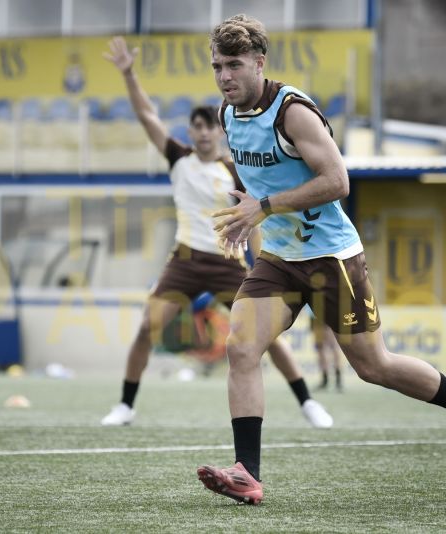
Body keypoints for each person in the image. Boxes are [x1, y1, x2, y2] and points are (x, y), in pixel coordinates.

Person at [196, 14, 446, 505]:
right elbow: (264, 185)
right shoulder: (228, 116)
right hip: (279, 257)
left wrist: (265, 207)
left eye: (234, 64)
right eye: (217, 66)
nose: (225, 76)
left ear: (259, 62)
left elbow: (338, 182)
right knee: (241, 346)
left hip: (331, 257)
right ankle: (246, 473)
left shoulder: (292, 111)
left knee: (374, 366)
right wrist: (245, 212)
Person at [99, 36, 332, 429]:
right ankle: (125, 405)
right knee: (145, 328)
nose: (203, 134)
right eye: (196, 128)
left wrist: (262, 259)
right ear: (190, 133)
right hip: (186, 260)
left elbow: (253, 212)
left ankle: (308, 403)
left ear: (219, 132)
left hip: (229, 262)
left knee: (266, 338)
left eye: (209, 128)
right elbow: (147, 116)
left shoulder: (233, 168)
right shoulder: (178, 160)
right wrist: (128, 74)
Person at [315, 322, 343, 392]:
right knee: (330, 346)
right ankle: (336, 380)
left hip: (318, 315)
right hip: (319, 315)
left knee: (324, 347)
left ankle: (328, 380)